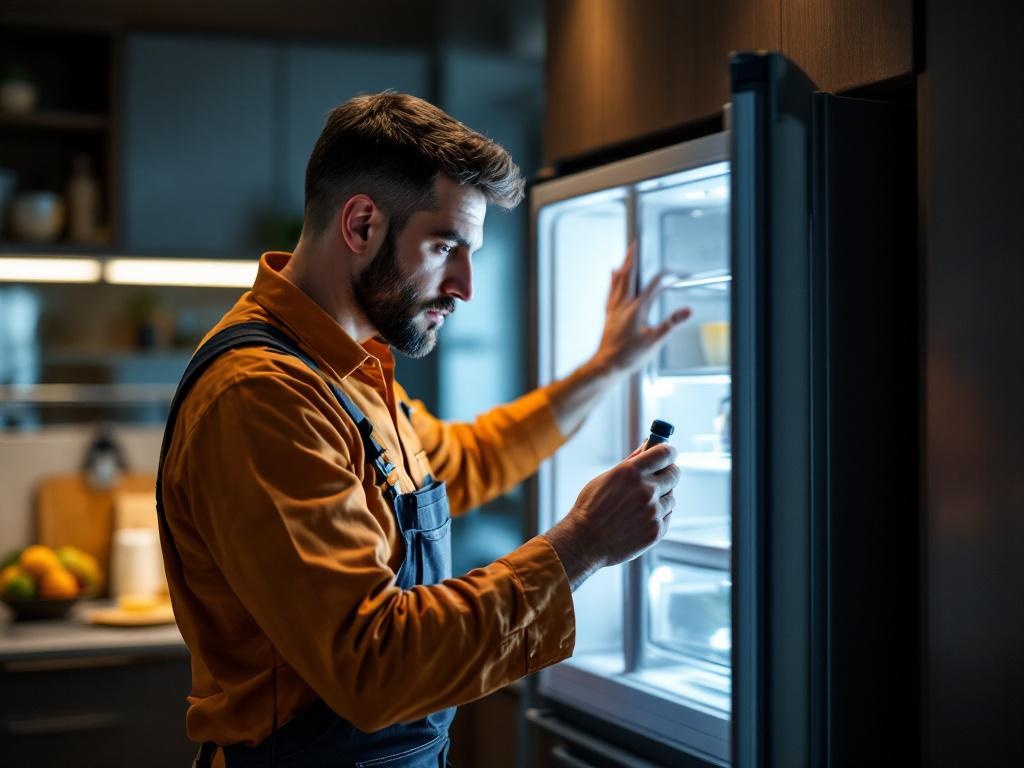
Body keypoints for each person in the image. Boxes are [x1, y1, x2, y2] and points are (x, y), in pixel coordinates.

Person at [157, 92, 689, 768]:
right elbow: (373, 667)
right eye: (445, 247)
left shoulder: (348, 371)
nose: (465, 286)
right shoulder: (263, 397)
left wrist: (607, 367)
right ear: (360, 225)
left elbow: (466, 460)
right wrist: (581, 545)